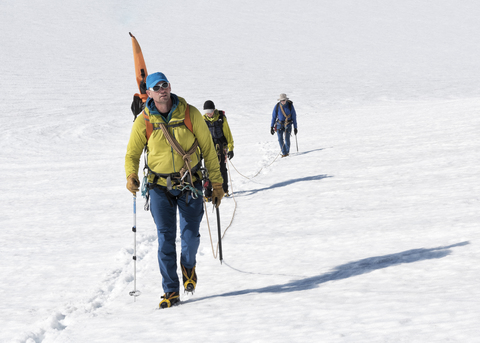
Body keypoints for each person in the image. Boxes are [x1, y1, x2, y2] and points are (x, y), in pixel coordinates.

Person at [125, 72, 224, 308]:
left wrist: (217, 183)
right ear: (148, 93)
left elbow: (209, 150)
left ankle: (188, 266)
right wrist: (131, 175)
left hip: (190, 182)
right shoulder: (144, 121)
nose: (162, 89)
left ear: (170, 87)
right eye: (156, 87)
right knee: (165, 239)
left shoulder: (190, 114)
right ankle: (170, 290)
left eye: (165, 85)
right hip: (159, 187)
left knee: (190, 237)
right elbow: (132, 154)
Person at [202, 100, 234, 197]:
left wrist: (230, 148)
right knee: (207, 171)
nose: (209, 114)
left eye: (210, 111)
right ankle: (208, 192)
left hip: (220, 147)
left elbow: (228, 134)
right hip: (208, 148)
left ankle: (224, 190)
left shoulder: (221, 119)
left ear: (214, 110)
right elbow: (200, 137)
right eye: (207, 112)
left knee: (222, 169)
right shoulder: (202, 121)